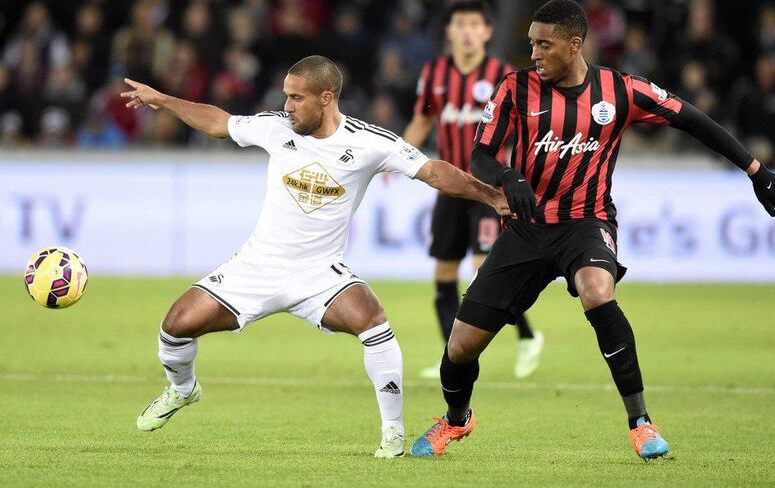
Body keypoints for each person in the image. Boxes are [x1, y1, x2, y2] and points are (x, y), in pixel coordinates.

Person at [410, 0, 775, 460]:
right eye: (530, 43)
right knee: (462, 346)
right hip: (526, 229)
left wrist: (754, 170)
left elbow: (690, 119)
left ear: (575, 45)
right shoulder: (514, 88)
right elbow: (480, 155)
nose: (533, 53)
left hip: (585, 224)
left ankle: (641, 423)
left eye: (543, 45)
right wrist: (508, 176)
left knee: (597, 289)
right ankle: (455, 420)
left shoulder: (620, 90)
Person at [121, 55, 509, 459]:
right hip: (256, 268)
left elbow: (433, 171)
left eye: (296, 98)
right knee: (174, 327)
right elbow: (218, 121)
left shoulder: (369, 142)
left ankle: (392, 434)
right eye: (286, 96)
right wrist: (162, 100)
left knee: (374, 324)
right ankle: (184, 390)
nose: (286, 106)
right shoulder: (275, 127)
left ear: (326, 98)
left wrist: (491, 196)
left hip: (320, 275)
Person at [404, 0, 544, 380]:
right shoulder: (434, 74)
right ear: (449, 31)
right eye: (459, 23)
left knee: (485, 269)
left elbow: (526, 127)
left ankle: (528, 336)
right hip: (450, 190)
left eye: (473, 24)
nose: (466, 31)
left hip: (487, 190)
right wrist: (395, 156)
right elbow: (422, 120)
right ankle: (452, 354)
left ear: (486, 32)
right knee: (445, 274)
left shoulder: (502, 75)